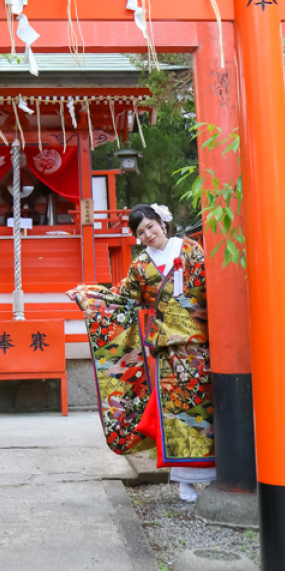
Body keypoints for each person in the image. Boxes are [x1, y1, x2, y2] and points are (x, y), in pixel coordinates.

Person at [68, 202, 214, 502]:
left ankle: (214, 474)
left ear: (162, 221)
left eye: (151, 226)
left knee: (207, 411)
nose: (148, 235)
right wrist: (90, 297)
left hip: (201, 346)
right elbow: (122, 300)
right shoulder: (140, 267)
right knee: (176, 415)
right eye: (140, 232)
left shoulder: (192, 250)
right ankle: (184, 480)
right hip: (168, 354)